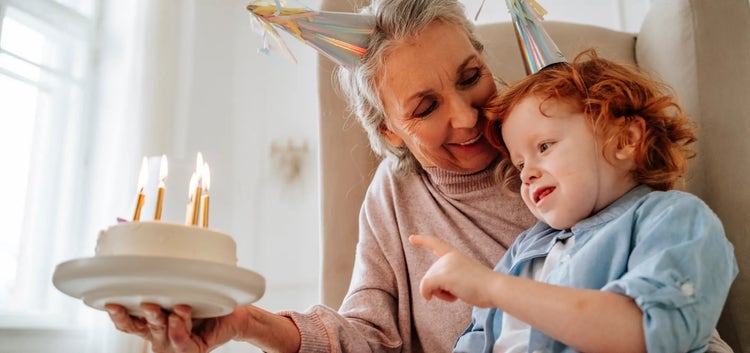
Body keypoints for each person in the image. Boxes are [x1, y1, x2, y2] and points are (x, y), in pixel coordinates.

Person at [105, 1, 733, 352]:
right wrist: (248, 323)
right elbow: (371, 335)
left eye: (470, 78)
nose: (467, 116)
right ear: (390, 135)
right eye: (426, 108)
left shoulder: (575, 138)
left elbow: (658, 290)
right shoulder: (397, 200)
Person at [411, 50, 738, 353]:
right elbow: (480, 339)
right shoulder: (526, 250)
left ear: (625, 139)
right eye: (520, 164)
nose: (527, 175)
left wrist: (493, 287)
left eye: (543, 147)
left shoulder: (675, 219)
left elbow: (651, 332)